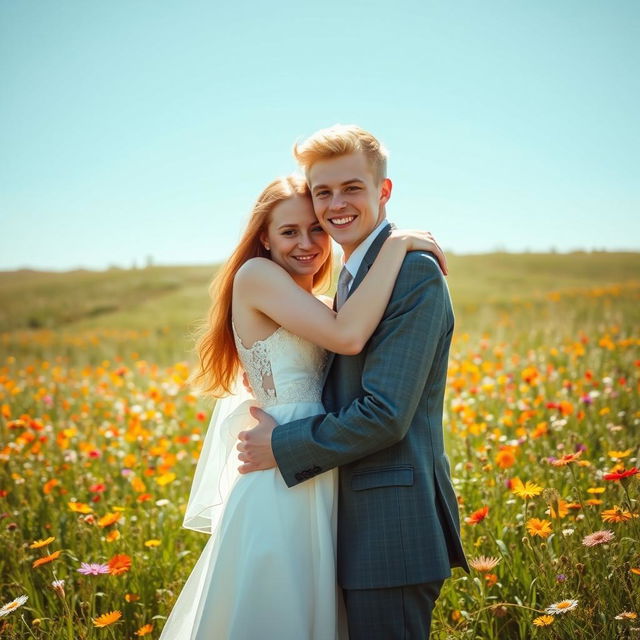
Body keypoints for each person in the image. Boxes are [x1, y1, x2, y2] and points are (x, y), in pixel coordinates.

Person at [158, 174, 445, 639]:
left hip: (320, 465)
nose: (307, 243)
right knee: (277, 611)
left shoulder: (319, 301)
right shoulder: (257, 277)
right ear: (264, 239)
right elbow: (348, 337)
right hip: (279, 470)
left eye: (316, 229)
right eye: (289, 231)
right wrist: (396, 245)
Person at [237, 124, 470, 639]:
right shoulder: (349, 279)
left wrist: (282, 444)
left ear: (383, 191)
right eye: (324, 192)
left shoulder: (413, 273)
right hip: (330, 518)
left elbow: (385, 413)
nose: (335, 205)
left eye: (352, 188)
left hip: (390, 529)